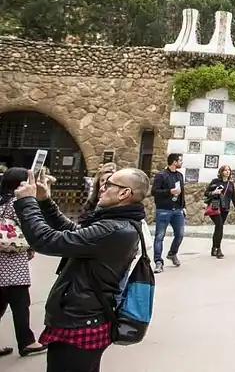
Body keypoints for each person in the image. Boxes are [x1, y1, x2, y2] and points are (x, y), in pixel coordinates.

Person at [14, 166, 149, 371]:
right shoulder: (120, 223)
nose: (102, 188)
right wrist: (44, 201)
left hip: (81, 321)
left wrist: (27, 202)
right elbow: (73, 232)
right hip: (88, 318)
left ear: (124, 193)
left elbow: (47, 240)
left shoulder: (114, 228)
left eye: (109, 184)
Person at [0, 168, 47, 358]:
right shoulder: (18, 203)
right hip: (13, 265)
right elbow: (30, 226)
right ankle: (27, 342)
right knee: (20, 305)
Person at [151, 153, 186, 274]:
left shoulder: (180, 175)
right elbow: (154, 191)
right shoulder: (161, 175)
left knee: (180, 234)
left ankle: (172, 253)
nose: (181, 162)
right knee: (159, 236)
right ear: (174, 162)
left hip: (178, 210)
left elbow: (182, 192)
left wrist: (183, 206)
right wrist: (170, 191)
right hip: (164, 209)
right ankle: (158, 262)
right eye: (180, 160)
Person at [203, 165, 235, 259]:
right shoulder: (215, 181)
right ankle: (218, 249)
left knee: (218, 228)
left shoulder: (230, 184)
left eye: (229, 170)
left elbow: (233, 197)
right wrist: (214, 192)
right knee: (219, 226)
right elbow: (206, 193)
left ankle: (213, 248)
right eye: (225, 170)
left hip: (225, 208)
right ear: (221, 172)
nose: (227, 172)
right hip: (215, 206)